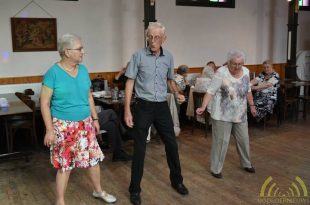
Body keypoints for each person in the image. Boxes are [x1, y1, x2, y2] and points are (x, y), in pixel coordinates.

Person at [40, 33, 116, 205]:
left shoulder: (83, 70)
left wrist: (95, 119)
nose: (83, 51)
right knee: (65, 165)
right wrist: (49, 130)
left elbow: (89, 96)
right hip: (63, 126)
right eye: (79, 49)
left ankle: (98, 191)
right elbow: (44, 103)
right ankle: (60, 202)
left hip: (85, 123)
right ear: (67, 52)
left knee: (93, 159)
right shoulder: (52, 73)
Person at [124, 22, 188, 205]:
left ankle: (177, 181)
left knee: (172, 145)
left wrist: (177, 93)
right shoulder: (137, 55)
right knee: (140, 149)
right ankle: (135, 190)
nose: (153, 41)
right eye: (150, 37)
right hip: (143, 106)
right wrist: (127, 109)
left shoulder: (169, 56)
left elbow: (170, 80)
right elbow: (129, 83)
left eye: (157, 37)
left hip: (161, 106)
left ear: (164, 39)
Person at [196, 49, 257, 179]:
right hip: (222, 115)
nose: (237, 66)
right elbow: (211, 91)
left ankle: (247, 163)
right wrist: (203, 106)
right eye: (234, 63)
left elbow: (248, 90)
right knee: (221, 142)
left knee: (244, 140)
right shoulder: (221, 73)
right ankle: (216, 169)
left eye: (240, 63)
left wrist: (252, 105)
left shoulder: (246, 71)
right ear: (229, 62)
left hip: (240, 114)